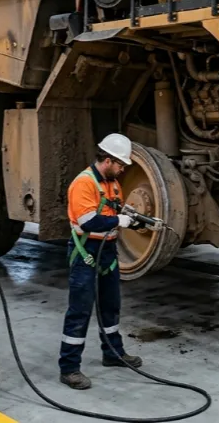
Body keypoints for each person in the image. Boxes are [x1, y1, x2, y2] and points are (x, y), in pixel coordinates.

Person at [59, 133, 142, 390]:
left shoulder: (112, 183)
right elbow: (88, 222)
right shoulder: (83, 184)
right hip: (86, 250)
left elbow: (113, 210)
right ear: (107, 160)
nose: (123, 169)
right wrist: (120, 221)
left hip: (107, 251)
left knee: (110, 305)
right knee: (80, 309)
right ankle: (69, 368)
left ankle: (112, 353)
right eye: (120, 165)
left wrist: (132, 217)